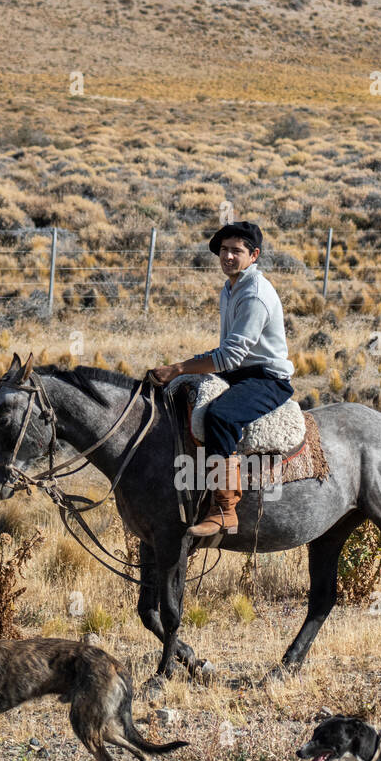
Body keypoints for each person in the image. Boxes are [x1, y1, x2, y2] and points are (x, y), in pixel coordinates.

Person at [149, 220, 294, 538]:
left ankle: (225, 510)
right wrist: (180, 374)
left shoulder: (254, 295)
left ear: (253, 255)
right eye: (224, 250)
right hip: (238, 372)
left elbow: (229, 357)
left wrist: (179, 367)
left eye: (236, 251)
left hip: (267, 377)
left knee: (220, 416)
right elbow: (227, 352)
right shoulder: (230, 288)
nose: (228, 256)